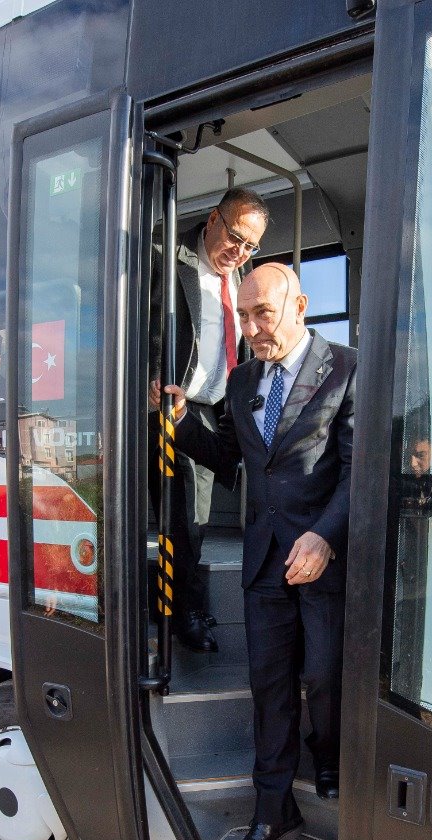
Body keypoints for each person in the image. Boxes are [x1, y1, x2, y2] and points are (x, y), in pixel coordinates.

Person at [164, 263, 355, 840]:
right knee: (269, 688)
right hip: (263, 559)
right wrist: (182, 418)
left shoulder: (347, 369)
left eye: (261, 314)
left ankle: (328, 757)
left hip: (323, 556)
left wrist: (324, 537)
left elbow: (358, 469)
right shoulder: (244, 382)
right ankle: (272, 813)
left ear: (300, 304)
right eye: (242, 317)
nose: (250, 329)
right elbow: (229, 454)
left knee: (324, 677)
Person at [158, 188, 269, 653]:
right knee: (182, 517)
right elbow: (137, 326)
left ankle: (185, 603)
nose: (238, 252)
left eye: (250, 246)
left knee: (195, 519)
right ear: (212, 220)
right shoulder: (165, 258)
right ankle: (183, 612)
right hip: (167, 403)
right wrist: (151, 379)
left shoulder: (242, 275)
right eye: (235, 237)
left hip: (213, 409)